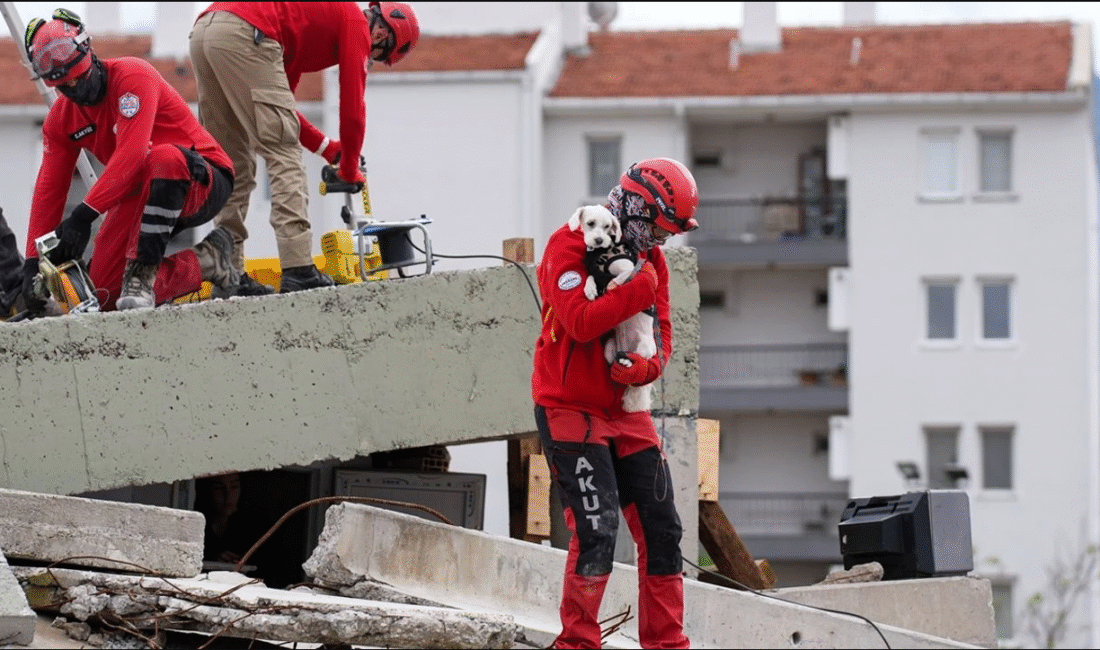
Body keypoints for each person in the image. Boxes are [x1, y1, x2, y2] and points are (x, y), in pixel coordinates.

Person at [531, 157, 700, 649]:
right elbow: (580, 322)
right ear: (635, 209)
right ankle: (577, 643)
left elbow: (662, 336)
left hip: (627, 411)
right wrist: (639, 288)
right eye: (658, 229)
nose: (660, 241)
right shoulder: (568, 244)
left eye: (668, 234)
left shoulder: (653, 262)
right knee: (597, 530)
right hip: (569, 408)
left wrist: (645, 370)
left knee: (663, 529)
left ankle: (667, 643)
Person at [188, 2, 420, 294]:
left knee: (233, 162)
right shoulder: (355, 24)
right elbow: (352, 109)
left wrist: (327, 149)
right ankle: (298, 268)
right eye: (375, 57)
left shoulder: (305, 27)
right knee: (283, 154)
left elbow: (285, 110)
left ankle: (229, 275)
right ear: (381, 35)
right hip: (247, 32)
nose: (368, 59)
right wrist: (349, 168)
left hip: (206, 32)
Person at [20, 9, 240, 314]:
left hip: (202, 179)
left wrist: (82, 216)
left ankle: (142, 276)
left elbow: (132, 155)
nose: (78, 90)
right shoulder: (60, 121)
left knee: (161, 157)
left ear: (90, 53)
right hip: (139, 187)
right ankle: (208, 260)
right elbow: (49, 191)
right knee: (105, 293)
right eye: (66, 87)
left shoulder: (133, 76)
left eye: (81, 77)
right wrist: (32, 263)